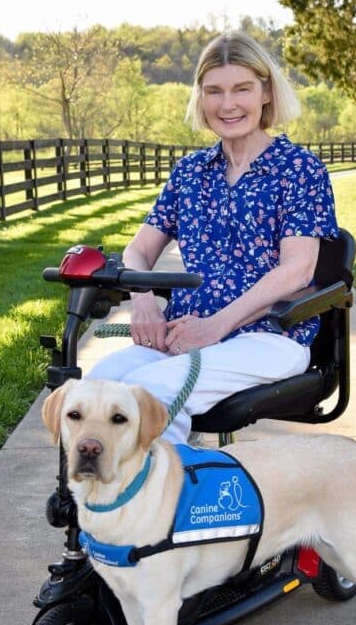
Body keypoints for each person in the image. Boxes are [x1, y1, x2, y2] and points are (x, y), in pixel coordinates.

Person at [87, 31, 339, 443]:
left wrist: (215, 327)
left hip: (270, 336)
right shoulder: (190, 173)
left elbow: (298, 270)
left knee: (151, 394)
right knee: (98, 387)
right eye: (214, 91)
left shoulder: (298, 168)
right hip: (188, 334)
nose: (228, 104)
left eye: (242, 89)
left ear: (266, 94)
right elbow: (137, 251)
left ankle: (168, 501)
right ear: (200, 99)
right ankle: (104, 503)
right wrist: (145, 303)